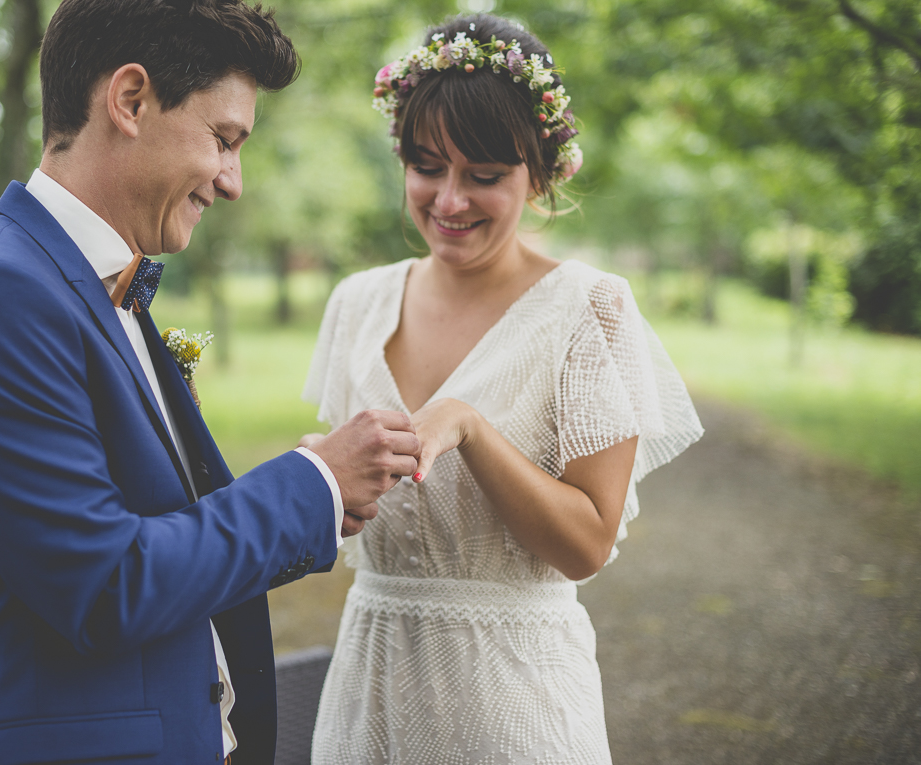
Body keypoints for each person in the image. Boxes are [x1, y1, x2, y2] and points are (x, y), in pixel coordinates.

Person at [0, 1, 421, 763]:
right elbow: (104, 583)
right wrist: (314, 484)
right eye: (223, 140)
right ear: (131, 100)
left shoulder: (109, 289)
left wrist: (317, 493)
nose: (233, 182)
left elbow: (161, 528)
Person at [302, 14, 704, 764]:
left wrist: (472, 428)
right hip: (369, 689)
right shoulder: (356, 304)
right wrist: (321, 477)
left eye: (484, 176)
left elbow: (586, 541)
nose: (449, 201)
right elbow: (352, 506)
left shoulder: (588, 309)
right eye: (427, 166)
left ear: (541, 174)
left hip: (516, 704)